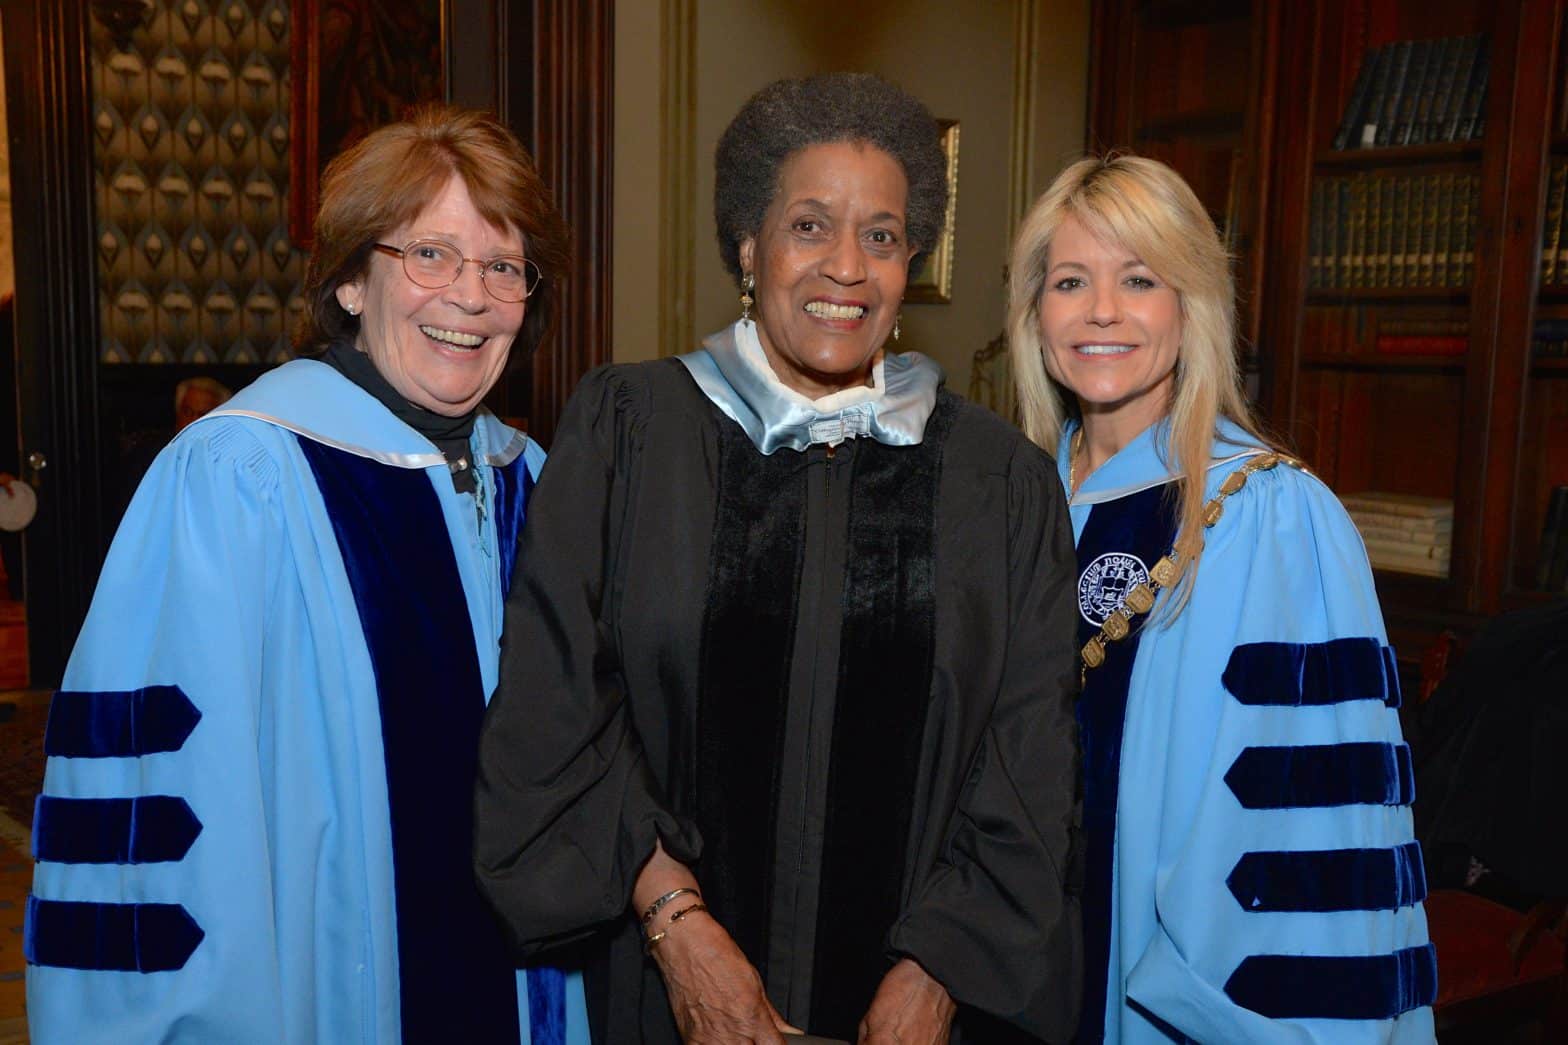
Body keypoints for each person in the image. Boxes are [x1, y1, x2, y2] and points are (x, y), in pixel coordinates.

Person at [474, 73, 1083, 1044]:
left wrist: (936, 967)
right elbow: (558, 709)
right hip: (669, 989)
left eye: (879, 235)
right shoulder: (633, 434)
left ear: (909, 258)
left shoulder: (995, 483)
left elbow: (1028, 766)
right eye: (809, 226)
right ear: (748, 248)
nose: (846, 266)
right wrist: (677, 928)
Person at [26, 106, 589, 1044]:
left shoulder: (533, 483)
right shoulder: (235, 479)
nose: (471, 294)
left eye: (503, 266)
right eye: (430, 255)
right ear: (352, 285)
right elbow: (153, 813)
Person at [1007, 154, 1436, 1043]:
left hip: (1160, 999)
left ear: (1190, 304)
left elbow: (1303, 823)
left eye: (1139, 279)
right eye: (1070, 281)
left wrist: (1190, 1001)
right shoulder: (1008, 498)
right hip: (1005, 979)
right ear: (1034, 312)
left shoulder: (1265, 513)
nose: (1102, 312)